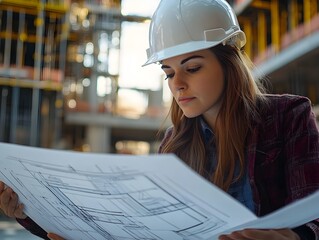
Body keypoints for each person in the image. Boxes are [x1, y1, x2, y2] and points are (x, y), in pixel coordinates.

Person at [1, 0, 319, 239]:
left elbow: (313, 213)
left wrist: (295, 236)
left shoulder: (288, 118)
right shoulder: (174, 144)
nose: (177, 83)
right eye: (168, 72)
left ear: (229, 63)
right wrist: (29, 214)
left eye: (192, 67)